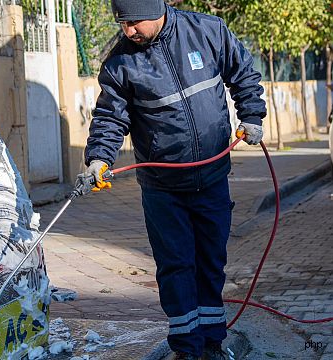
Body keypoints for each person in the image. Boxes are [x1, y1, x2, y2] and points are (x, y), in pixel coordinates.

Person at [80, 0, 266, 359]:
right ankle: (186, 348)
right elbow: (109, 118)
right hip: (162, 188)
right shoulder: (119, 64)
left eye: (134, 22)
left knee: (211, 261)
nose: (128, 31)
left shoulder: (207, 31)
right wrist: (99, 159)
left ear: (156, 9)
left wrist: (252, 115)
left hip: (212, 177)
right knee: (176, 266)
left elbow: (243, 72)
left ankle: (212, 342)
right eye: (122, 23)